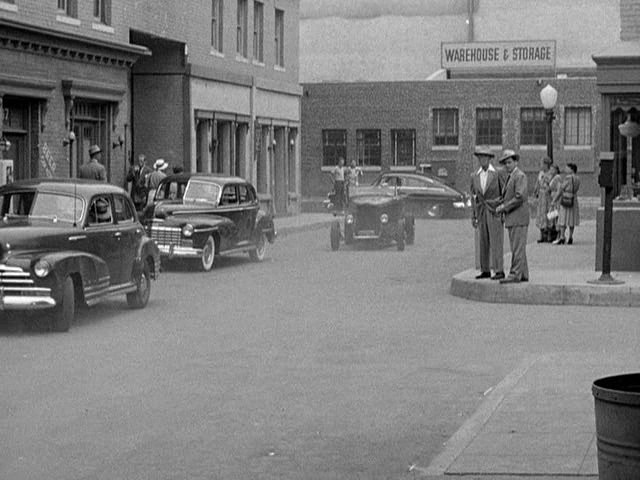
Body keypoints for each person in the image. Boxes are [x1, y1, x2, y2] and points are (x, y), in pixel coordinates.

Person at [470, 146, 505, 280]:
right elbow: (473, 197)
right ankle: (485, 269)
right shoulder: (474, 176)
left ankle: (499, 269)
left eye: (485, 157)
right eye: (480, 157)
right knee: (483, 241)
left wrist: (501, 209)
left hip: (494, 210)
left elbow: (504, 193)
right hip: (481, 211)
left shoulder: (497, 174)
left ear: (490, 159)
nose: (482, 159)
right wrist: (473, 215)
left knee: (496, 240)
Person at [496, 149, 529, 284]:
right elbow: (509, 195)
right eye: (505, 163)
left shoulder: (519, 176)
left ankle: (515, 274)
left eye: (509, 162)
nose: (507, 165)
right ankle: (523, 273)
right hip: (514, 217)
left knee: (517, 247)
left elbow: (519, 197)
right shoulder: (511, 176)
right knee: (519, 247)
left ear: (516, 162)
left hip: (518, 217)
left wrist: (504, 207)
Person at [552, 162, 580, 245]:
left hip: (566, 198)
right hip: (574, 199)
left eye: (567, 168)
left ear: (572, 169)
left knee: (563, 218)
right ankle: (571, 236)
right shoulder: (577, 178)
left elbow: (561, 189)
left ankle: (562, 236)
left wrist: (554, 200)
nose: (565, 169)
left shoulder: (568, 178)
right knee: (572, 218)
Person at [533, 156, 555, 243]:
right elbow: (537, 183)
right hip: (541, 196)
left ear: (546, 164)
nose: (541, 165)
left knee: (549, 214)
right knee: (541, 214)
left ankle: (550, 234)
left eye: (542, 163)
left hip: (548, 196)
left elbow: (552, 184)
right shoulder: (540, 173)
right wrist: (536, 191)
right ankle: (542, 235)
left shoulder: (550, 173)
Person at [547, 164, 562, 242]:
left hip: (556, 200)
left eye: (552, 169)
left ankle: (559, 235)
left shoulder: (557, 177)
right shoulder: (552, 178)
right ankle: (556, 235)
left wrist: (554, 200)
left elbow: (559, 190)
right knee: (554, 217)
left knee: (557, 216)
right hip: (553, 198)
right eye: (550, 169)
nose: (551, 171)